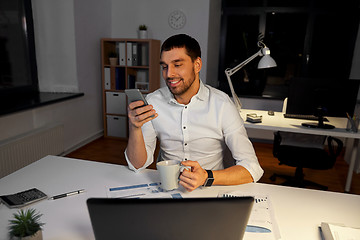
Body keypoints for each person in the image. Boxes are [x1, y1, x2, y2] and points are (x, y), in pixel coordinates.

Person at [125, 34, 263, 192]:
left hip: (210, 189)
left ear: (197, 65)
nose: (169, 74)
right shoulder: (153, 102)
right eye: (164, 66)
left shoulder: (222, 104)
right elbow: (137, 165)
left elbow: (252, 168)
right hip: (167, 189)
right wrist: (134, 128)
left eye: (177, 65)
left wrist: (206, 177)